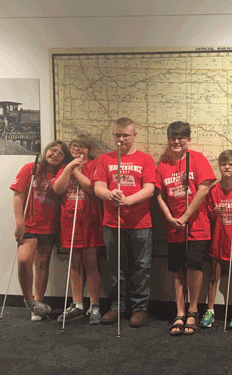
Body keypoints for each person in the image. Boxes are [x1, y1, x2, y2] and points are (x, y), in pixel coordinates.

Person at [94, 118, 156, 328]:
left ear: (134, 136)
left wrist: (129, 200)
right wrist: (111, 195)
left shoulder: (145, 159)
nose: (121, 139)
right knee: (115, 268)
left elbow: (149, 189)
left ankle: (139, 309)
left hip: (140, 224)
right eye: (118, 135)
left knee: (141, 267)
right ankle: (117, 306)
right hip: (112, 223)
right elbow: (98, 187)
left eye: (126, 135)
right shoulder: (104, 159)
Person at [156, 121, 216, 336]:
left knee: (194, 267)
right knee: (177, 270)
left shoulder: (197, 159)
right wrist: (171, 217)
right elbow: (159, 195)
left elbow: (203, 189)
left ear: (188, 140)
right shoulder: (163, 165)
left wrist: (186, 216)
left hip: (197, 226)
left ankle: (193, 311)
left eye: (181, 137)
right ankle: (179, 312)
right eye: (173, 137)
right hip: (174, 226)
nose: (176, 141)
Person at [11, 140, 70, 321]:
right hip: (29, 225)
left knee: (42, 265)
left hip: (49, 226)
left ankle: (38, 304)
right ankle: (29, 301)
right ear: (46, 151)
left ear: (63, 159)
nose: (54, 155)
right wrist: (19, 222)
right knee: (23, 261)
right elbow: (18, 195)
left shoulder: (60, 173)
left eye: (60, 154)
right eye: (52, 150)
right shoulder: (31, 168)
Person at [53, 134, 103, 325]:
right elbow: (58, 189)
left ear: (88, 150)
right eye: (74, 146)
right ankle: (77, 304)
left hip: (89, 220)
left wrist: (76, 171)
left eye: (81, 147)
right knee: (74, 262)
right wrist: (68, 168)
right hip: (69, 220)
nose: (77, 150)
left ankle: (95, 304)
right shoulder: (64, 167)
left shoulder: (94, 165)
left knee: (91, 262)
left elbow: (91, 188)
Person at [202, 150, 232, 330]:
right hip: (218, 239)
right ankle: (210, 310)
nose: (227, 167)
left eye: (231, 164)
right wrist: (215, 212)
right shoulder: (213, 189)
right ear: (219, 167)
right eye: (224, 164)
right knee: (214, 276)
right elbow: (208, 216)